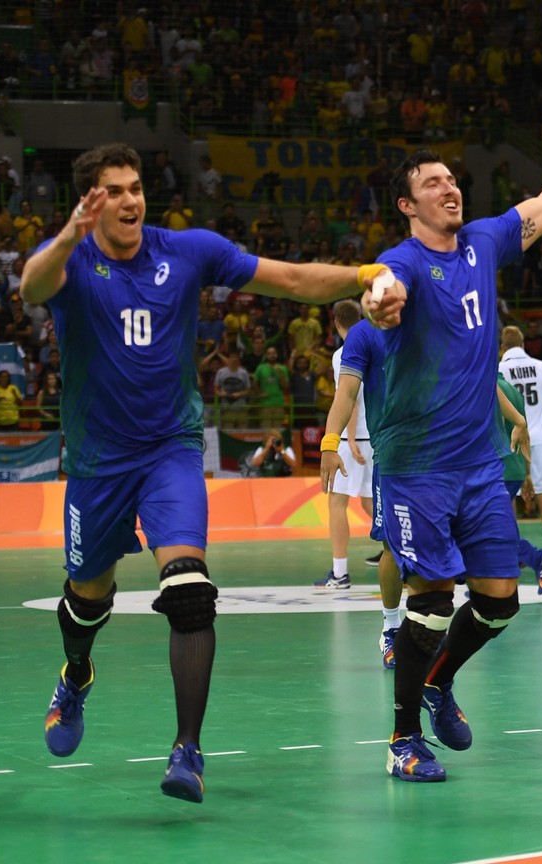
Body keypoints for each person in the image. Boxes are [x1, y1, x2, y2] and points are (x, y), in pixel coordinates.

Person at [24, 141, 400, 802]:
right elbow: (30, 286)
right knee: (86, 600)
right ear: (89, 202)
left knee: (191, 591)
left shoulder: (187, 250)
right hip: (97, 463)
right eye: (114, 191)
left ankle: (187, 750)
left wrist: (362, 273)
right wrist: (65, 237)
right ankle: (76, 674)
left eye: (135, 186)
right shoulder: (72, 261)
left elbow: (287, 279)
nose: (131, 199)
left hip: (169, 449)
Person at [373, 130, 542, 781]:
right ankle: (402, 739)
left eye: (452, 179)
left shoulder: (484, 241)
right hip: (417, 467)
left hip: (480, 465)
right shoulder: (400, 260)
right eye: (432, 183)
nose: (449, 187)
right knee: (429, 600)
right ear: (407, 204)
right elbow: (384, 287)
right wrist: (382, 300)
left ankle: (436, 683)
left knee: (498, 599)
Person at [319, 308, 404, 669]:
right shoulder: (362, 339)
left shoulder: (430, 326)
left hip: (421, 447)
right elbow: (348, 394)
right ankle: (392, 627)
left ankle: (340, 573)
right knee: (385, 534)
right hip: (380, 445)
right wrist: (333, 441)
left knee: (340, 506)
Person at [314, 300, 375, 590]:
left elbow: (349, 396)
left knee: (336, 503)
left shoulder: (343, 353)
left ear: (336, 324)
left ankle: (340, 574)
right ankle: (404, 558)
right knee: (370, 502)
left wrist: (346, 438)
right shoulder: (377, 342)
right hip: (376, 437)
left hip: (354, 439)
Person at [499, 325, 542, 561]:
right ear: (523, 344)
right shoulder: (541, 366)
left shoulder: (499, 369)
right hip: (539, 438)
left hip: (512, 438)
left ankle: (513, 548)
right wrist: (535, 407)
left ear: (502, 347)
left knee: (511, 495)